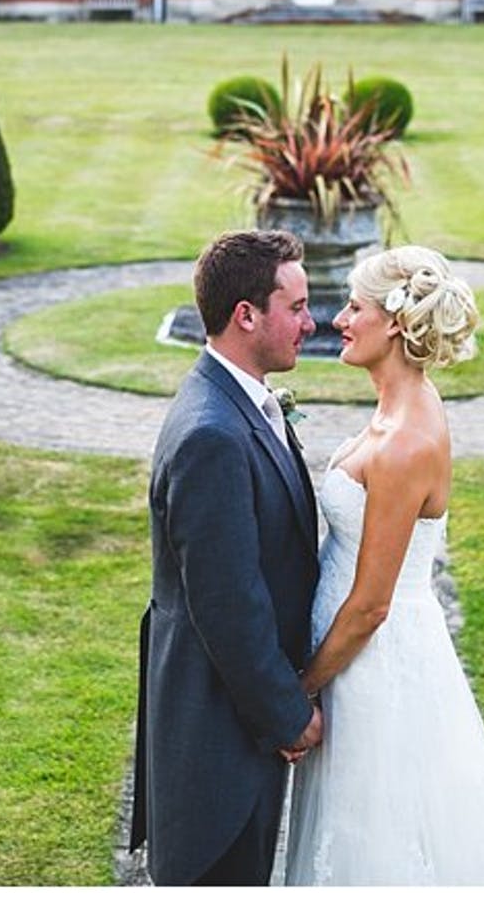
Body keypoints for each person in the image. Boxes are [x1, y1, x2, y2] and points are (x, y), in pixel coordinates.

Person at [283, 245, 484, 886]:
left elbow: (372, 603)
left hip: (373, 668)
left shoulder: (403, 445)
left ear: (394, 322)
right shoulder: (403, 407)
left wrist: (301, 688)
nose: (337, 320)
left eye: (354, 307)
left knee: (374, 839)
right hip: (359, 658)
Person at [130, 229, 324, 885]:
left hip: (235, 725)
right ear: (247, 315)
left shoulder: (240, 402)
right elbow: (227, 604)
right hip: (218, 739)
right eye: (296, 307)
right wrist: (289, 717)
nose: (311, 320)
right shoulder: (212, 435)